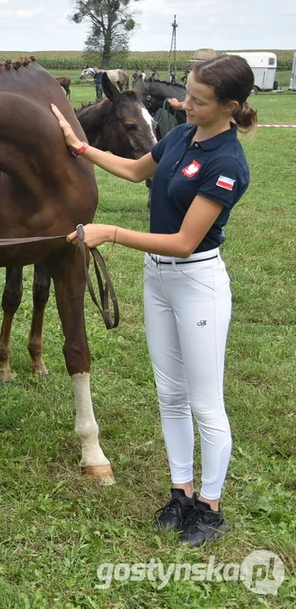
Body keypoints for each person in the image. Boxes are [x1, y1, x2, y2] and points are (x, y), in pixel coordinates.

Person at [51, 54, 256, 547]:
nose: (185, 104)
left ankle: (209, 508)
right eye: (187, 93)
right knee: (170, 395)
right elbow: (132, 168)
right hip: (158, 281)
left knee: (206, 403)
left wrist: (113, 233)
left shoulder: (226, 163)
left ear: (230, 106)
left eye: (198, 101)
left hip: (195, 282)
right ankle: (180, 492)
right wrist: (79, 146)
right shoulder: (181, 136)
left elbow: (186, 242)